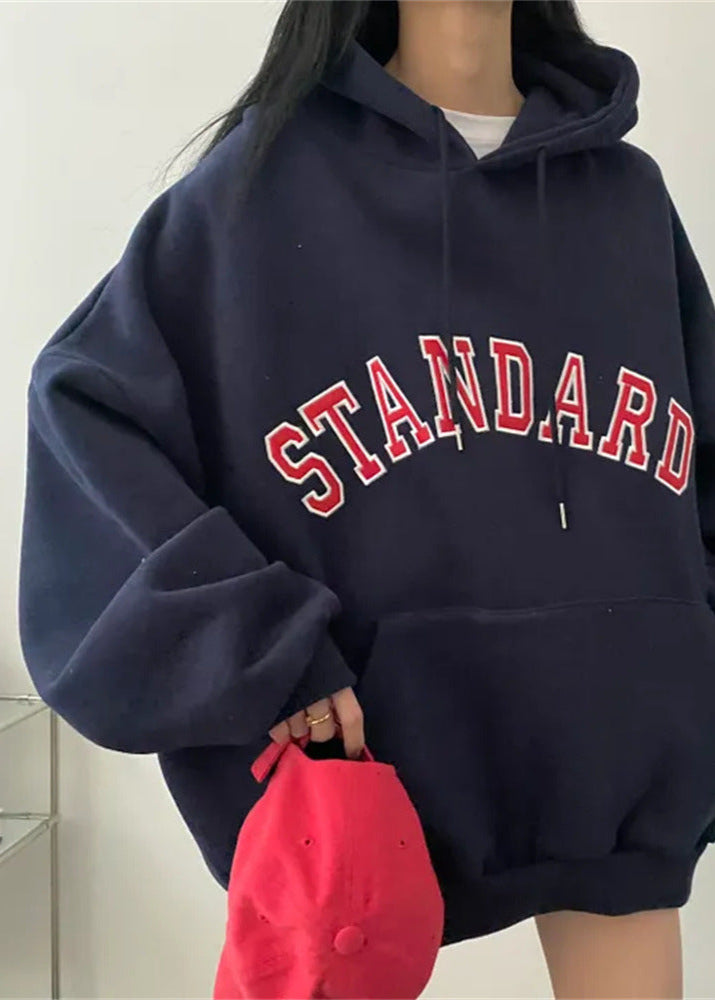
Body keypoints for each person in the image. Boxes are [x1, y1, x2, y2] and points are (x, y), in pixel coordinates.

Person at [18, 0, 715, 996]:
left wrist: (681, 659)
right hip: (366, 781)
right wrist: (262, 648)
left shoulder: (625, 200)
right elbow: (87, 425)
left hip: (618, 781)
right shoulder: (259, 196)